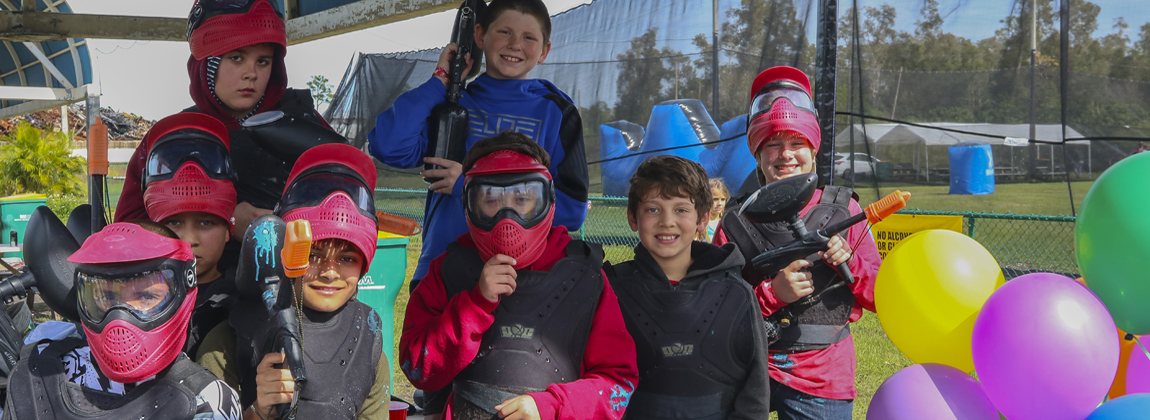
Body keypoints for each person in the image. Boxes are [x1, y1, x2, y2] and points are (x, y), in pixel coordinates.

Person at [399, 133, 637, 420]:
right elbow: (417, 367)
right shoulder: (450, 269)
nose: (507, 218)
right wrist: (473, 307)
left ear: (547, 200)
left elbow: (618, 384)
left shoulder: (585, 276)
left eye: (522, 199)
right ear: (468, 205)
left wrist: (551, 407)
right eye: (490, 200)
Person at [368, 0, 589, 293]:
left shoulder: (556, 112)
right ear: (480, 36)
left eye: (528, 37)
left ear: (545, 50)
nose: (515, 45)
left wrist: (468, 187)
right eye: (505, 32)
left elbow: (572, 211)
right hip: (443, 271)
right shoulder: (452, 105)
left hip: (522, 281)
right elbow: (388, 146)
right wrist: (441, 81)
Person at [711, 66, 881, 419]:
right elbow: (713, 306)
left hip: (821, 379)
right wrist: (772, 293)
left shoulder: (844, 209)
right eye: (772, 144)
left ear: (813, 149)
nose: (785, 154)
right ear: (757, 154)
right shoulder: (734, 222)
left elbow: (880, 295)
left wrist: (849, 261)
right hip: (747, 369)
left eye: (796, 143)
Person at [196, 144, 391, 420]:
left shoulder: (367, 345)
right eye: (313, 255)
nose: (330, 272)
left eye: (347, 259)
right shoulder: (230, 341)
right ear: (285, 251)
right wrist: (257, 411)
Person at [116, 0, 334, 240]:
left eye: (263, 61)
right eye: (236, 58)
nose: (251, 73)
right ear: (208, 63)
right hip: (195, 276)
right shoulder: (171, 137)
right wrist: (225, 220)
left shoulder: (305, 125)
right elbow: (128, 232)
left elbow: (345, 203)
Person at [3, 221, 241, 420]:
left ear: (183, 293)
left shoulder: (206, 401)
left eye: (147, 296)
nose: (121, 317)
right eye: (107, 297)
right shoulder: (42, 371)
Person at [606, 155, 770, 419]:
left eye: (681, 209)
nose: (667, 221)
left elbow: (755, 389)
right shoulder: (609, 291)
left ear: (702, 219)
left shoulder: (737, 293)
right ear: (633, 217)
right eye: (653, 209)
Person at [139, 112, 239, 358]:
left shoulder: (241, 302)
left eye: (206, 223)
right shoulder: (136, 294)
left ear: (229, 231)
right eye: (173, 223)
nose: (189, 239)